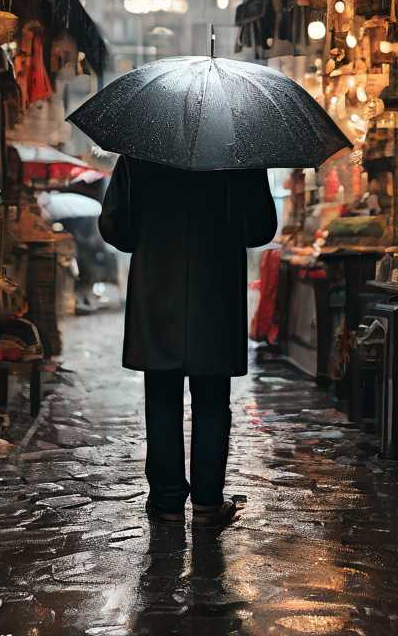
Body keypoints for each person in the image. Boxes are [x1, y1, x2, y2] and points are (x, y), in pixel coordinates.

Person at [97, 153, 278, 528]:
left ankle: (167, 502)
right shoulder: (240, 151)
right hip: (216, 291)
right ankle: (209, 504)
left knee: (162, 399)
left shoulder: (141, 149)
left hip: (157, 288)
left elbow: (115, 226)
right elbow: (260, 228)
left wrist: (150, 231)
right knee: (212, 402)